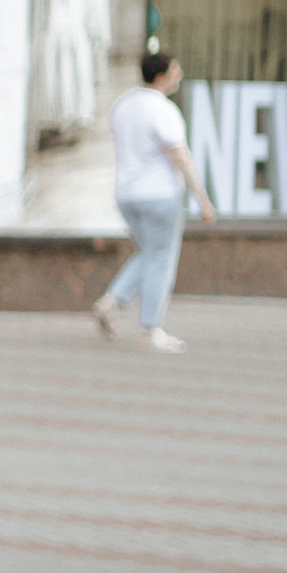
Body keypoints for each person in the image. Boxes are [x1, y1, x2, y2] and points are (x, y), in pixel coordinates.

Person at [95, 52, 215, 353]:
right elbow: (180, 156)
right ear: (161, 76)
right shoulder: (163, 109)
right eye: (176, 69)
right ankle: (151, 328)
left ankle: (111, 301)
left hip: (126, 194)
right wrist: (202, 197)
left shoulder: (124, 104)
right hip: (160, 195)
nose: (180, 73)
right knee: (161, 258)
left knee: (149, 252)